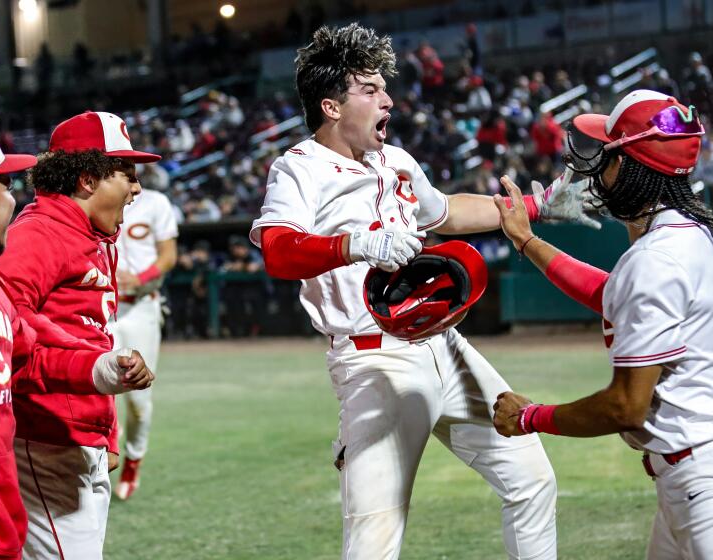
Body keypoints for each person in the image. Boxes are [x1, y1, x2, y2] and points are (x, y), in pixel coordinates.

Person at [250, 24, 598, 560]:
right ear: (331, 106)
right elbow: (277, 248)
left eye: (384, 87)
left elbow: (449, 211)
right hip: (373, 361)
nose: (388, 98)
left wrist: (538, 205)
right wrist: (355, 246)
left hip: (446, 346)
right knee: (374, 541)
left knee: (532, 479)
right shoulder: (300, 168)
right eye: (370, 89)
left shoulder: (398, 160)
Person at [492, 90, 713, 559]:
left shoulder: (656, 258)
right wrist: (528, 241)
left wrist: (532, 417)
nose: (598, 166)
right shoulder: (683, 235)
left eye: (609, 153)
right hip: (700, 474)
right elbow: (611, 293)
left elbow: (626, 407)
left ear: (632, 167)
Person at [0, 116, 154, 560]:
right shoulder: (37, 234)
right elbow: (10, 344)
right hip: (45, 436)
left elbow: (76, 334)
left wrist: (104, 433)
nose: (137, 188)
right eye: (126, 173)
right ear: (88, 179)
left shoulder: (91, 235)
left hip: (72, 434)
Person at [110, 171, 178, 501]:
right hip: (102, 309)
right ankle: (103, 454)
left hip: (140, 307)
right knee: (96, 390)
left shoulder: (155, 203)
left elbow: (168, 256)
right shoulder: (98, 202)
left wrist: (139, 277)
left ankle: (133, 459)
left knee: (137, 399)